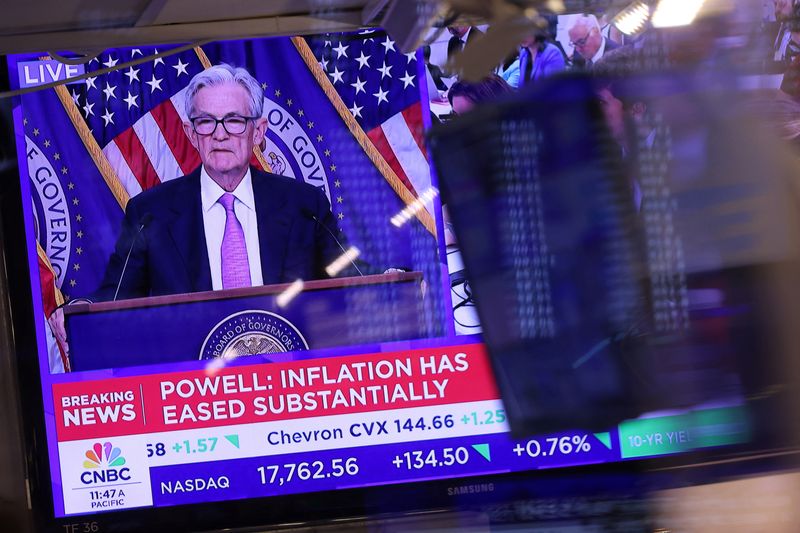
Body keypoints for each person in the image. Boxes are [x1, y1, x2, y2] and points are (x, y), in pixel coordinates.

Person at [95, 63, 343, 301]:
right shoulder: (149, 214)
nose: (220, 134)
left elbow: (350, 276)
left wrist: (383, 282)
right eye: (206, 122)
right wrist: (74, 312)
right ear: (192, 134)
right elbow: (113, 300)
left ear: (258, 131)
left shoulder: (306, 206)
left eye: (234, 120)